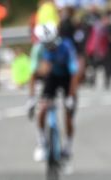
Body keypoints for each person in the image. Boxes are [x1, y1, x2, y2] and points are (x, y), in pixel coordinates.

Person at [28, 22, 79, 162]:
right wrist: (31, 99)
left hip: (68, 78)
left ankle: (68, 147)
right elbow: (32, 74)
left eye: (52, 43)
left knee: (68, 113)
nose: (50, 47)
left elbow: (74, 73)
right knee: (42, 108)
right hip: (52, 77)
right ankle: (41, 142)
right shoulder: (38, 49)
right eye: (47, 44)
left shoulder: (67, 46)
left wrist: (70, 97)